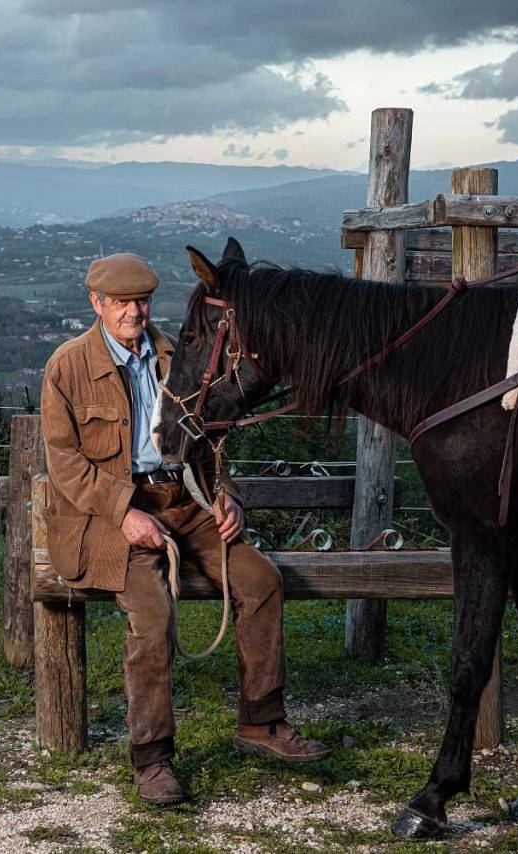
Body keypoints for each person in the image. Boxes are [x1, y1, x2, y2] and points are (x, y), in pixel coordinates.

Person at [38, 252, 329, 805]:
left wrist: (227, 496)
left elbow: (212, 435)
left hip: (185, 499)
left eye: (141, 300)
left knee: (262, 581)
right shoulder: (67, 367)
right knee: (152, 615)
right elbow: (66, 464)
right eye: (121, 302)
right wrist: (125, 512)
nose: (133, 312)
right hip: (109, 516)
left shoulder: (178, 352)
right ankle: (153, 760)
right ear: (96, 304)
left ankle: (261, 723)